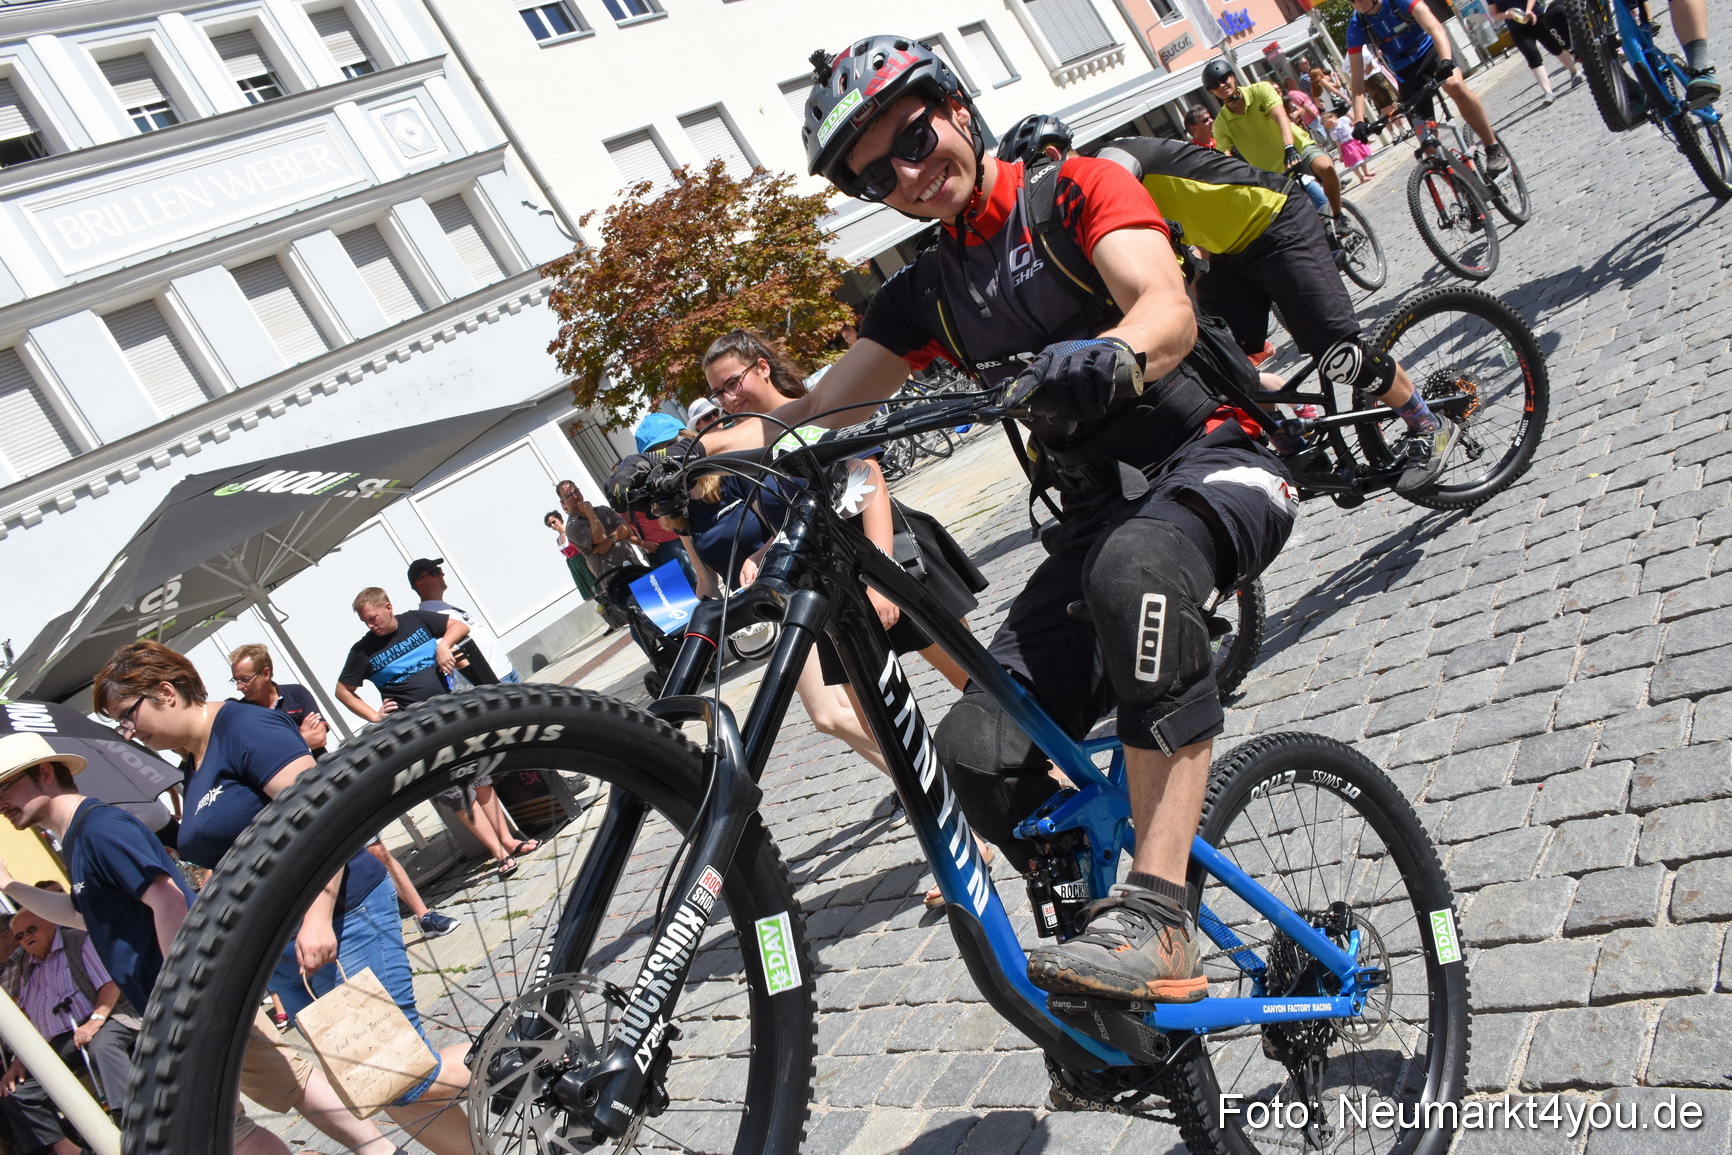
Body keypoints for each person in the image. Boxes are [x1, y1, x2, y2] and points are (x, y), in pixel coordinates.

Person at [681, 37, 1299, 1003]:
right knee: (976, 748)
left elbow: (1164, 305)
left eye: (917, 141)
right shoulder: (927, 290)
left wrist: (1114, 352)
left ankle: (1160, 919)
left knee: (1132, 574)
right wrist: (688, 459)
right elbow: (814, 414)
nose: (911, 176)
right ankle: (1109, 991)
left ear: (957, 109)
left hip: (1213, 460)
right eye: (879, 174)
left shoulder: (1075, 192)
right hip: (1097, 515)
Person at [93, 640, 473, 1154]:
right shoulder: (192, 762)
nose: (129, 731)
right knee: (380, 1088)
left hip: (341, 914)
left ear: (164, 692)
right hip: (284, 945)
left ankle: (526, 1046)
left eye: (126, 715)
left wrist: (316, 919)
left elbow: (325, 819)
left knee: (397, 1078)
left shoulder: (243, 728)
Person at [999, 113, 1461, 491]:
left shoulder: (1109, 162)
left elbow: (1112, 201)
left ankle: (1427, 423)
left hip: (1276, 220)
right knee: (1224, 369)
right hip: (1224, 253)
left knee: (1337, 355)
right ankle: (1295, 439)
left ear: (1055, 156)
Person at [1, 908, 134, 1155]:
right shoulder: (27, 968)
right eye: (20, 936)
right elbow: (28, 1018)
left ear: (50, 923)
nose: (27, 938)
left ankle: (133, 1119)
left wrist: (95, 1020)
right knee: (16, 1091)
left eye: (32, 929)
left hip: (106, 1018)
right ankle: (68, 1150)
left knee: (102, 1047)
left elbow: (109, 983)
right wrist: (19, 1061)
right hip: (61, 1039)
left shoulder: (77, 940)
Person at [1342, 0, 1510, 174]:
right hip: (1405, 70)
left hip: (1432, 51)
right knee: (1426, 142)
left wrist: (1446, 60)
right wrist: (1359, 121)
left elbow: (1435, 28)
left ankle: (1493, 147)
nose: (1358, 3)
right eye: (1352, 1)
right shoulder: (1357, 25)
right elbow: (1357, 80)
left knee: (1455, 86)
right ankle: (1463, 187)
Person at [1205, 59, 1348, 226]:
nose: (1221, 85)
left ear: (1232, 76)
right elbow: (1225, 156)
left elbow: (1280, 116)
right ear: (1211, 92)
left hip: (1296, 149)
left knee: (1326, 167)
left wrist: (1289, 147)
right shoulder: (1221, 123)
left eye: (1224, 79)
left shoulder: (1260, 90)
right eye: (1215, 85)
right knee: (1291, 224)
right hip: (1272, 174)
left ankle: (1339, 217)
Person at [334, 588, 468, 723]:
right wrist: (374, 716)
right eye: (365, 622)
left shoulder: (416, 619)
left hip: (452, 705)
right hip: (413, 725)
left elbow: (459, 626)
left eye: (373, 618)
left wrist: (443, 646)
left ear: (388, 607)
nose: (370, 626)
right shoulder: (362, 651)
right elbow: (342, 691)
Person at [408, 559, 517, 685]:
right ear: (420, 584)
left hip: (506, 670)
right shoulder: (429, 618)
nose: (441, 575)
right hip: (495, 681)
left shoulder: (444, 607)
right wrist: (486, 683)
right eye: (434, 572)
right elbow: (453, 654)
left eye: (440, 570)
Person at [229, 643, 328, 757]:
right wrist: (300, 734)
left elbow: (319, 738)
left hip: (319, 770)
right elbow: (260, 756)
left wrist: (276, 746)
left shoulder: (297, 693)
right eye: (236, 680)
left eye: (245, 679)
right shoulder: (242, 713)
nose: (239, 687)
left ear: (266, 674)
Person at [1488, 0, 1580, 104]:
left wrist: (1528, 10)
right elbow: (1495, 15)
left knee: (1555, 47)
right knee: (1532, 57)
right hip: (1517, 28)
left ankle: (1574, 72)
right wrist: (1507, 14)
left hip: (1537, 17)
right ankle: (1548, 92)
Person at [547, 509, 599, 599]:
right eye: (550, 525)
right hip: (574, 566)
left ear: (559, 519)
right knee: (587, 588)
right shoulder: (558, 540)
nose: (553, 525)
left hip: (582, 560)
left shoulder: (570, 531)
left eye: (553, 522)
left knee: (595, 582)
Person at [1328, 110, 1376, 181]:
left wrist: (1358, 134)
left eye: (1330, 122)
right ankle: (1360, 177)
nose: (1331, 125)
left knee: (1362, 158)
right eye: (1328, 125)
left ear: (1333, 117)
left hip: (1354, 140)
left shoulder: (1343, 120)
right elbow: (1338, 143)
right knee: (1353, 163)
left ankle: (1366, 172)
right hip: (1347, 147)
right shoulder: (1333, 132)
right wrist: (1341, 155)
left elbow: (1352, 125)